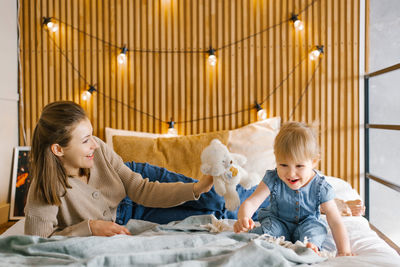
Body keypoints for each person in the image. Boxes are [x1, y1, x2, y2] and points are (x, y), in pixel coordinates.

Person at [24, 101, 214, 237]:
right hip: (128, 217)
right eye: (85, 140)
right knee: (209, 219)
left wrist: (197, 188)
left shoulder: (98, 151)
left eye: (92, 136)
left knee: (213, 198)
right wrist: (89, 227)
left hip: (133, 183)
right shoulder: (44, 189)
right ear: (58, 149)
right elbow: (38, 241)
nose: (95, 145)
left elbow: (141, 189)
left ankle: (244, 201)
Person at [233, 122, 352, 256]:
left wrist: (344, 250)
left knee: (316, 230)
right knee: (267, 232)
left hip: (308, 223)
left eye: (299, 166)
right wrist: (243, 218)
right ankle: (260, 242)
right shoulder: (273, 178)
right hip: (278, 221)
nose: (291, 173)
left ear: (313, 161)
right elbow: (252, 202)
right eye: (283, 165)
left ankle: (309, 248)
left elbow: (335, 221)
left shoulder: (320, 187)